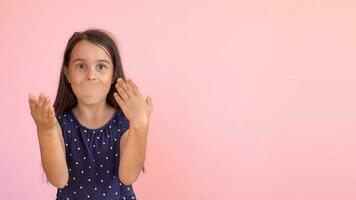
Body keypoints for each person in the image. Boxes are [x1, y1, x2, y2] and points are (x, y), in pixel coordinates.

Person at [28, 29, 153, 199]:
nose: (91, 75)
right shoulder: (59, 123)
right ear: (67, 74)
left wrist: (141, 126)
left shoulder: (123, 122)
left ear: (113, 74)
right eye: (81, 66)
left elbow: (128, 176)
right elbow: (59, 179)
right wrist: (45, 130)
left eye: (101, 66)